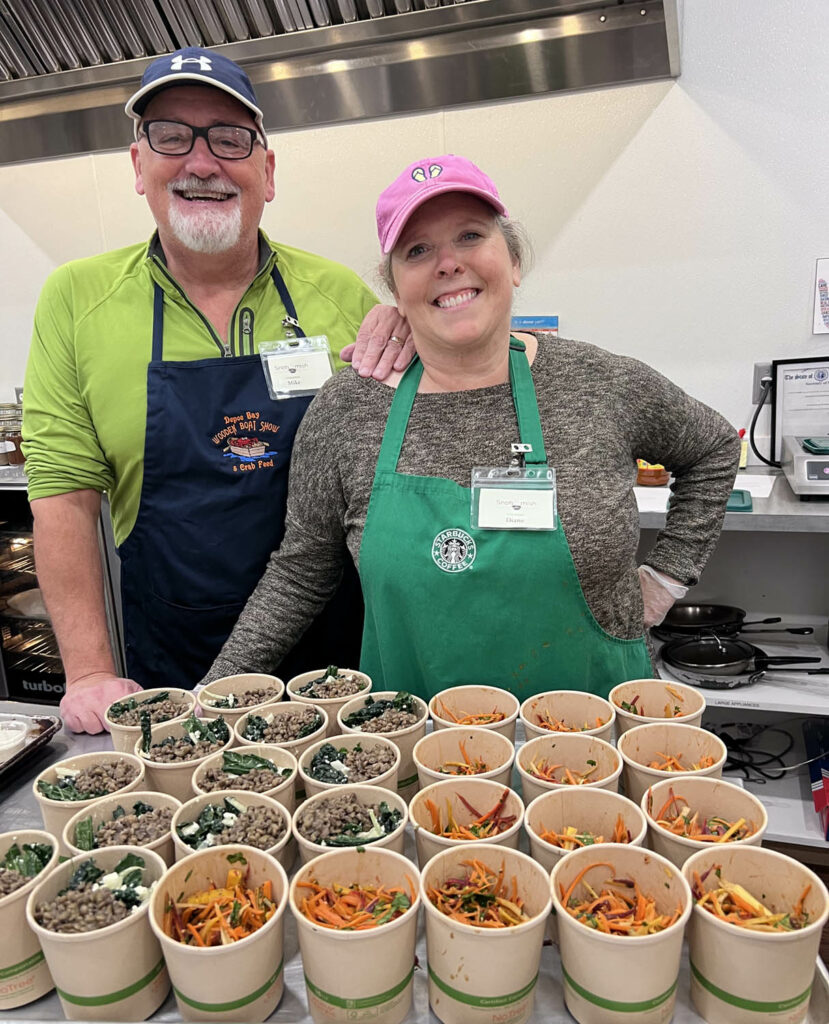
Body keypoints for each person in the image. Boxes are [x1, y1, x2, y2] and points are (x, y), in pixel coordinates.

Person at [201, 154, 740, 702]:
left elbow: (714, 447)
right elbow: (300, 572)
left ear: (513, 263)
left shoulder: (599, 382)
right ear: (396, 288)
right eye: (417, 250)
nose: (447, 263)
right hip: (412, 745)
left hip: (598, 732)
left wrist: (666, 579)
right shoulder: (348, 409)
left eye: (470, 235)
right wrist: (211, 694)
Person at [21, 47, 414, 734]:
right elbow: (64, 496)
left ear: (266, 172)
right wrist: (86, 672)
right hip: (177, 666)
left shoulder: (341, 294)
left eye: (230, 139)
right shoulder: (76, 298)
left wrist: (420, 326)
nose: (201, 163)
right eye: (170, 135)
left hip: (337, 659)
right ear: (138, 166)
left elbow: (423, 440)